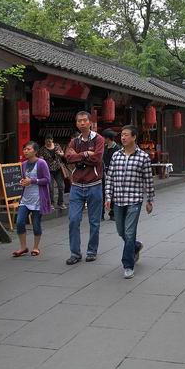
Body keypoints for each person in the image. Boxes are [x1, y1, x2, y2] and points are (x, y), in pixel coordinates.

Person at [104, 125, 155, 279]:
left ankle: (128, 265)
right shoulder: (116, 156)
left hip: (134, 199)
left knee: (129, 232)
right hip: (118, 199)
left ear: (134, 137)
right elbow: (110, 177)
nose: (123, 137)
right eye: (122, 135)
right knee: (121, 231)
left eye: (126, 135)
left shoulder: (143, 157)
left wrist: (149, 200)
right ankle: (136, 245)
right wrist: (108, 197)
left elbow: (148, 180)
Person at [65, 111, 105, 264]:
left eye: (84, 120)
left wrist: (79, 157)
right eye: (79, 121)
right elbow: (68, 157)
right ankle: (75, 253)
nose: (82, 123)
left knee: (94, 221)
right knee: (73, 220)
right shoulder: (74, 141)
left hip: (94, 185)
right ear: (76, 124)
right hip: (76, 186)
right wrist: (86, 154)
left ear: (90, 122)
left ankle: (92, 251)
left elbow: (97, 159)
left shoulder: (99, 139)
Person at [12, 141, 51, 258]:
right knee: (19, 222)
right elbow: (25, 178)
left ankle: (35, 247)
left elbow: (47, 180)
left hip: (38, 198)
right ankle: (23, 247)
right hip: (26, 198)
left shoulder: (41, 163)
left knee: (36, 224)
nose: (25, 151)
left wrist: (33, 181)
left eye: (28, 149)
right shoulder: (23, 164)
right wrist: (23, 182)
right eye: (24, 149)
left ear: (35, 151)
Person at [38, 135, 66, 210]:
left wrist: (60, 154)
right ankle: (51, 203)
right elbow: (40, 159)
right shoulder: (42, 149)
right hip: (48, 170)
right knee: (50, 187)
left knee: (61, 186)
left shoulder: (57, 146)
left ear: (52, 140)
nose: (48, 143)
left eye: (49, 141)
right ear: (45, 141)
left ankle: (60, 203)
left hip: (58, 169)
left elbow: (62, 154)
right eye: (47, 141)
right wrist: (41, 159)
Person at [101, 129, 121, 221]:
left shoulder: (117, 148)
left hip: (113, 174)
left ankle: (112, 213)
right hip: (103, 173)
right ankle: (101, 214)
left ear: (108, 138)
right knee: (102, 193)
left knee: (113, 194)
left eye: (103, 137)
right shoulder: (104, 147)